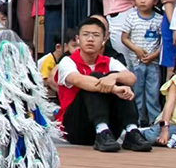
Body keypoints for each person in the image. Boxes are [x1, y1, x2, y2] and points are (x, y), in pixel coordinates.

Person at [55, 17, 149, 153]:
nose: (90, 39)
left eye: (96, 35)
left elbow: (131, 78)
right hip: (76, 128)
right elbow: (79, 80)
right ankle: (101, 129)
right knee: (94, 78)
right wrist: (114, 89)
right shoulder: (67, 62)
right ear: (78, 39)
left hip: (111, 131)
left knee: (118, 78)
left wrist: (114, 77)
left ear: (104, 40)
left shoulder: (110, 61)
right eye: (86, 35)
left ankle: (131, 130)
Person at [120, 0, 163, 125]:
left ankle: (154, 121)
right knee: (137, 92)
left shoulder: (159, 19)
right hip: (136, 62)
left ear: (155, 1)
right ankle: (136, 121)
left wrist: (154, 55)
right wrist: (136, 50)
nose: (143, 1)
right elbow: (124, 38)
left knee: (153, 93)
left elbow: (163, 42)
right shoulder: (131, 17)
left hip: (153, 63)